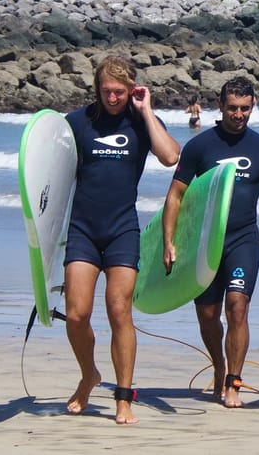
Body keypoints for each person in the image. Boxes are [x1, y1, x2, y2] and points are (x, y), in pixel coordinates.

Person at [162, 76, 259, 408]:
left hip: (243, 239)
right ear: (220, 106)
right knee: (207, 314)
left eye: (245, 108)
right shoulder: (200, 147)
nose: (238, 115)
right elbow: (176, 195)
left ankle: (234, 382)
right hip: (202, 243)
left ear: (253, 106)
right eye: (232, 108)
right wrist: (168, 241)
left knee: (238, 307)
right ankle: (218, 367)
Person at [63, 55, 179, 425]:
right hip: (82, 229)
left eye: (119, 91)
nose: (112, 98)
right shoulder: (77, 122)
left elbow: (170, 156)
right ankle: (89, 374)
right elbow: (47, 172)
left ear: (132, 90)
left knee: (118, 310)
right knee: (76, 314)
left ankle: (123, 397)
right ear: (96, 89)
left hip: (121, 230)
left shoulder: (139, 122)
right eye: (106, 91)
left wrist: (146, 111)